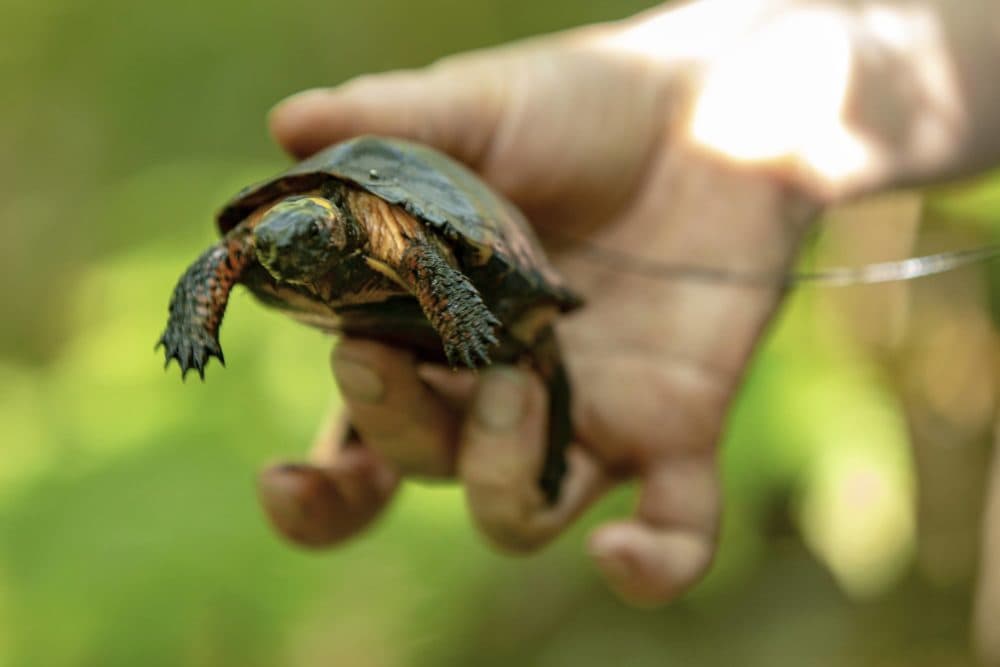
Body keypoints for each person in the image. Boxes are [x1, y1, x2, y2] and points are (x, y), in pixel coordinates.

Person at [255, 0, 1000, 622]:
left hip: (489, 286)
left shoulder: (394, 232)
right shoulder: (282, 232)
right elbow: (235, 251)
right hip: (402, 327)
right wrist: (693, 96)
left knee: (530, 355)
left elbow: (425, 255)